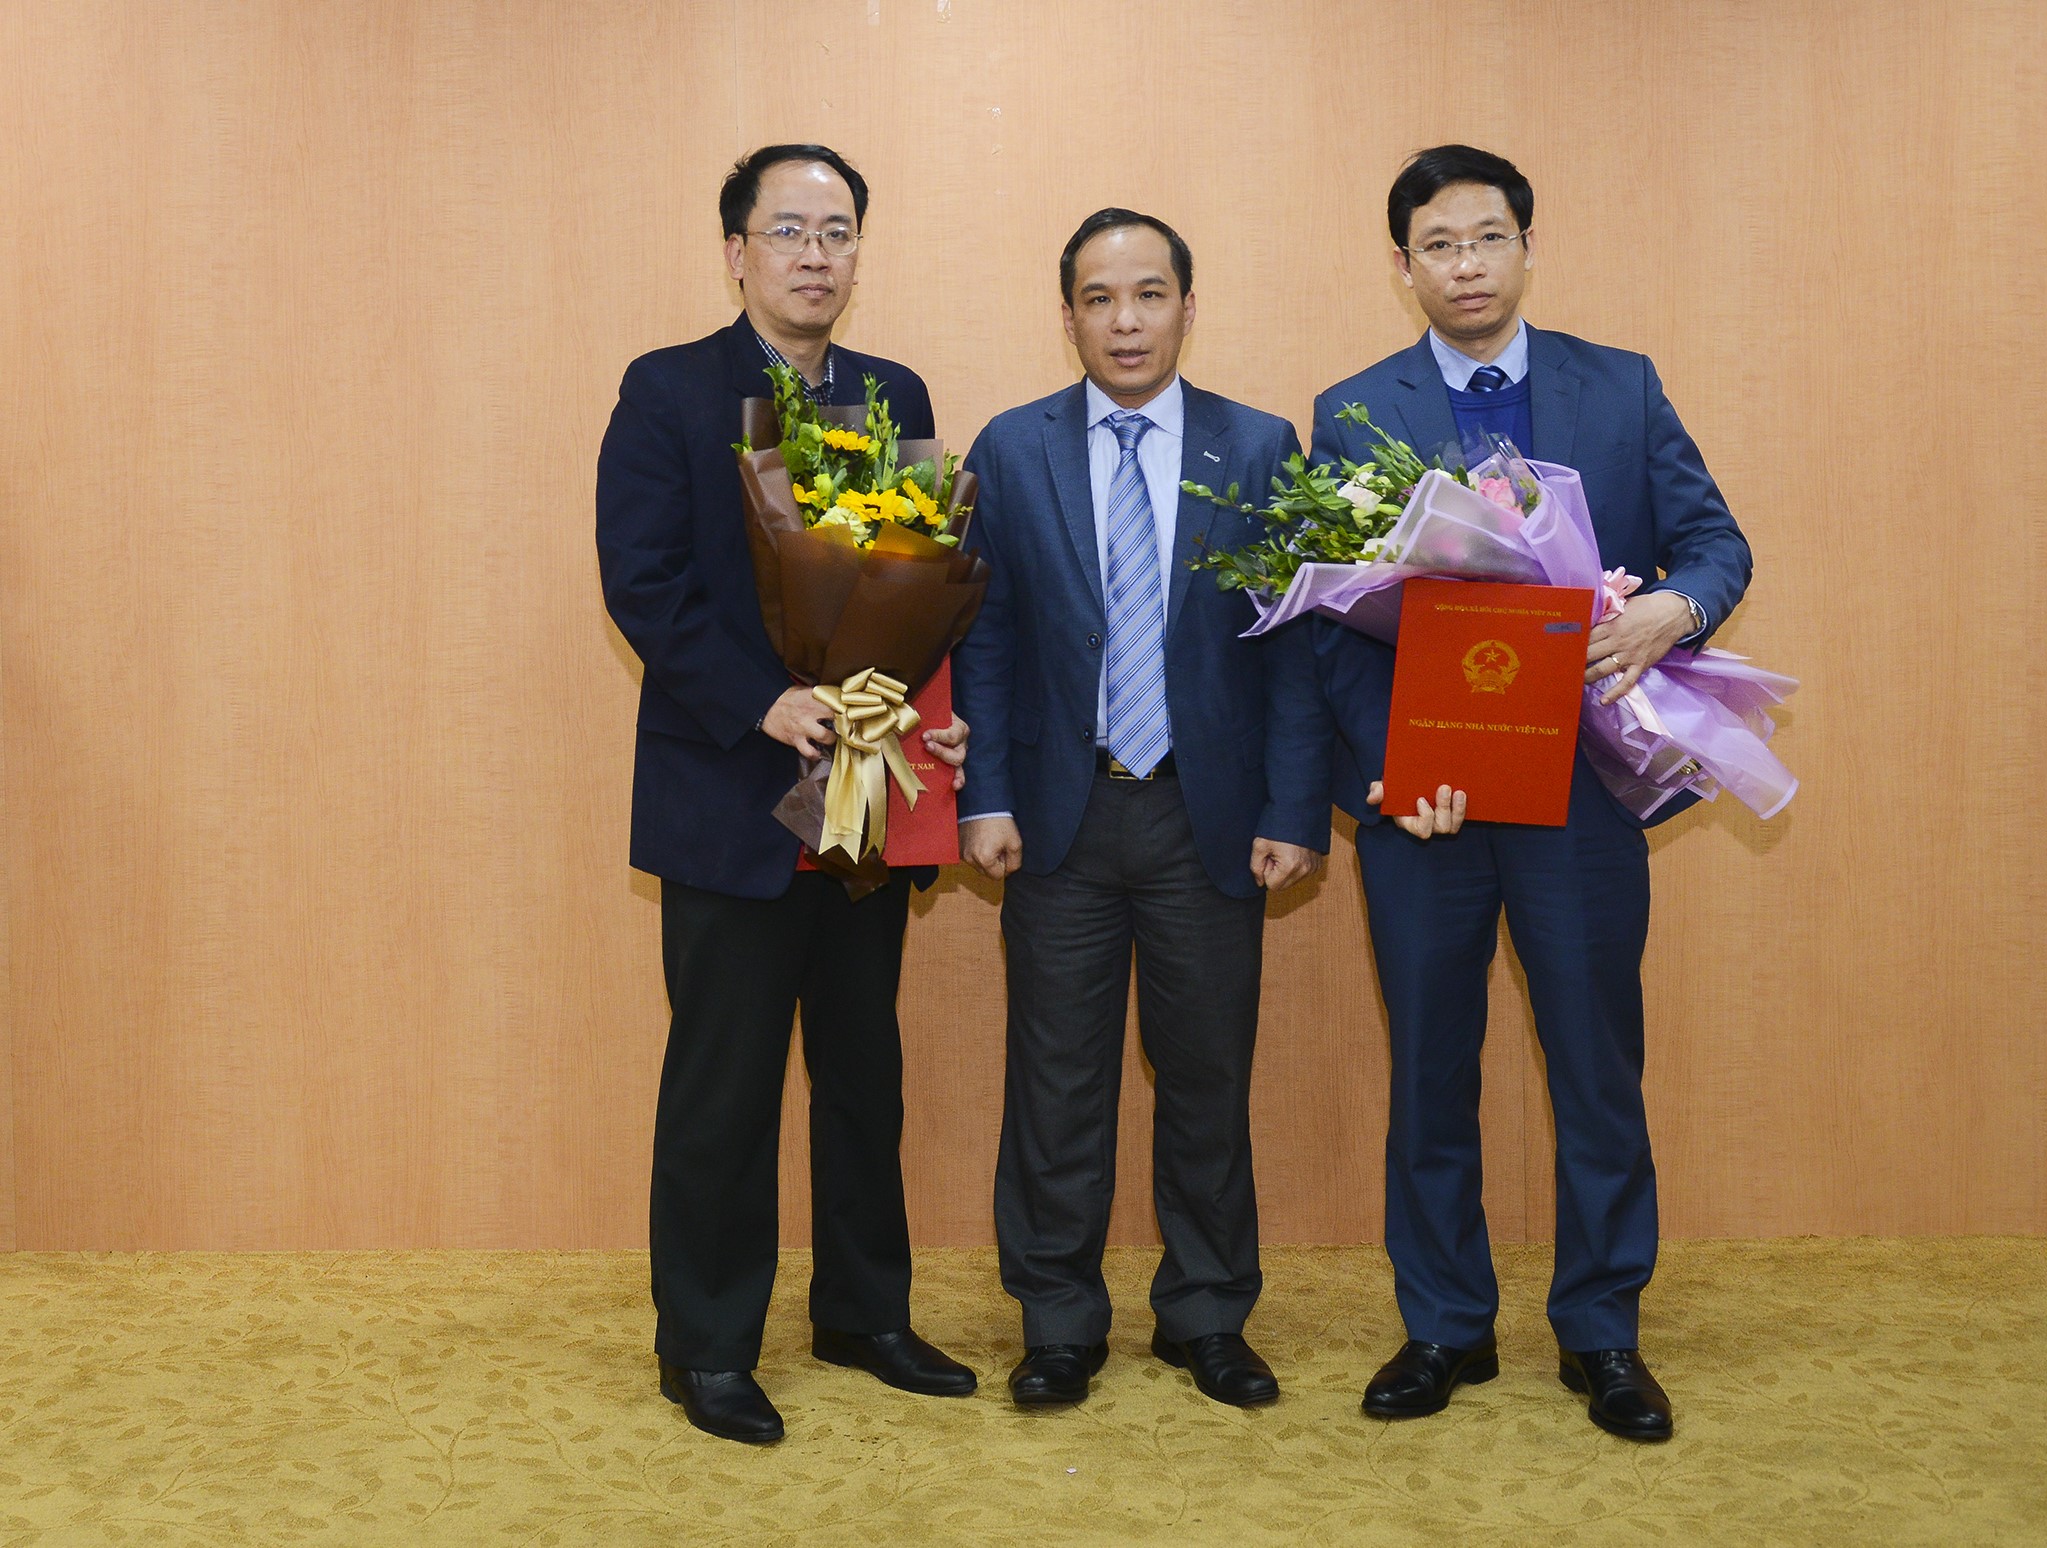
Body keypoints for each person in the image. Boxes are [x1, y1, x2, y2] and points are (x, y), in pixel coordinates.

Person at [1309, 145, 1753, 1442]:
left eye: (1488, 238)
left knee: (1596, 1065)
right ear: (1403, 265)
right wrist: (1391, 774)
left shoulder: (1620, 386)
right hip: (1430, 802)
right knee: (1430, 1070)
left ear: (1526, 247)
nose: (1466, 266)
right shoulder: (1354, 410)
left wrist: (1674, 610)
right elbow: (1330, 622)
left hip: (1582, 791)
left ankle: (1602, 1331)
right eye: (1438, 246)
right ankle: (1444, 1326)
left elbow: (1716, 543)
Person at [596, 143, 976, 1446]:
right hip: (730, 793)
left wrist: (932, 713)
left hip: (868, 792)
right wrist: (762, 701)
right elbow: (643, 580)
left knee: (865, 1070)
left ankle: (864, 1315)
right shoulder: (670, 390)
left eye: (838, 231)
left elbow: (916, 578)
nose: (817, 255)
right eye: (790, 230)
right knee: (727, 1081)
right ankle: (707, 1344)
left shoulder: (891, 392)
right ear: (737, 252)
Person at [952, 209, 1332, 1411]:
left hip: (1205, 818)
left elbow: (1295, 648)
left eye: (1149, 294)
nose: (1126, 321)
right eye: (1100, 299)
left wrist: (1295, 807)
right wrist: (984, 794)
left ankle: (1205, 1314)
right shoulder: (1011, 448)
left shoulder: (1258, 447)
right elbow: (985, 638)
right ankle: (1058, 1321)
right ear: (1067, 316)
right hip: (1057, 820)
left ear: (1186, 306)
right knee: (1055, 1086)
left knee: (1207, 1078)